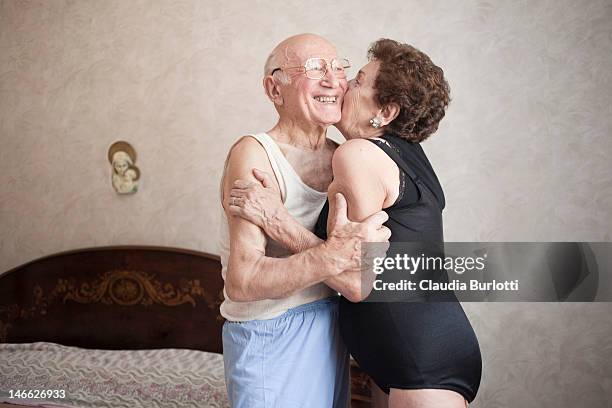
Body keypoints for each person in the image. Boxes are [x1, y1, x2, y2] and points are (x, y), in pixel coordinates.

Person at [229, 39, 482, 407]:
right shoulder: (407, 154)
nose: (343, 85)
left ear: (386, 111)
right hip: (419, 347)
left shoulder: (357, 154)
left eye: (358, 81)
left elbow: (354, 280)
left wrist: (279, 220)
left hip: (417, 357)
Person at [218, 33, 391, 407]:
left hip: (331, 329)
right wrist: (332, 258)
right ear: (274, 88)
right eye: (314, 68)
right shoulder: (254, 154)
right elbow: (243, 282)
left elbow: (361, 277)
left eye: (338, 67)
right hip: (270, 333)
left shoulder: (345, 157)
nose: (332, 80)